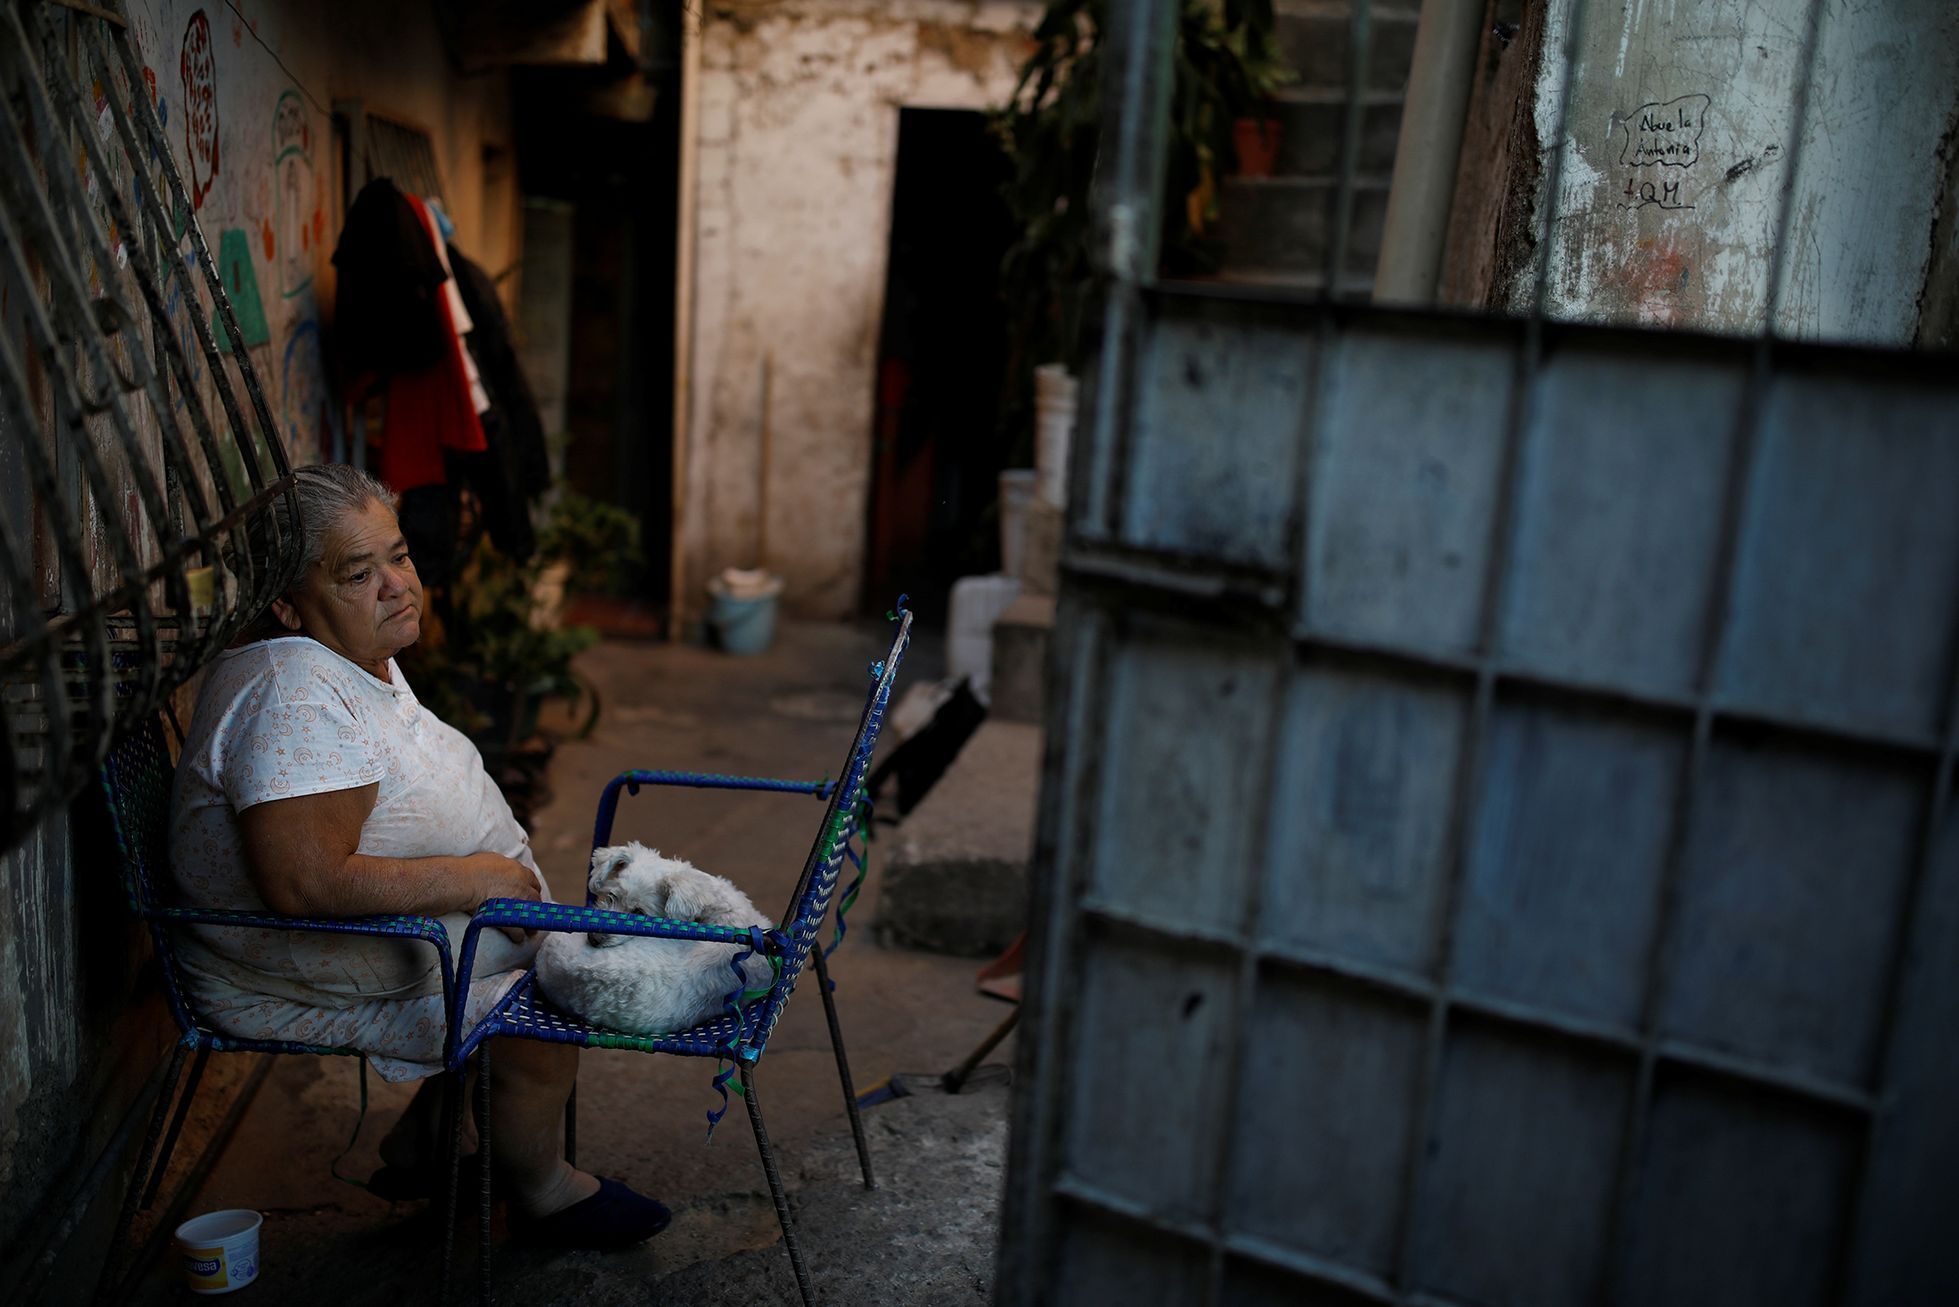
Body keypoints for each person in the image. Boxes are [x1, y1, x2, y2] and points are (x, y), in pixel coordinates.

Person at [168, 463, 665, 1247]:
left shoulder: (342, 656)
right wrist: (474, 879)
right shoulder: (294, 692)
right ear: (287, 603)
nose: (397, 584)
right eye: (357, 573)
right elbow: (305, 880)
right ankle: (544, 1191)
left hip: (407, 940)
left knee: (577, 951)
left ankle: (424, 1145)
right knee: (550, 1005)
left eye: (398, 555)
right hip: (287, 961)